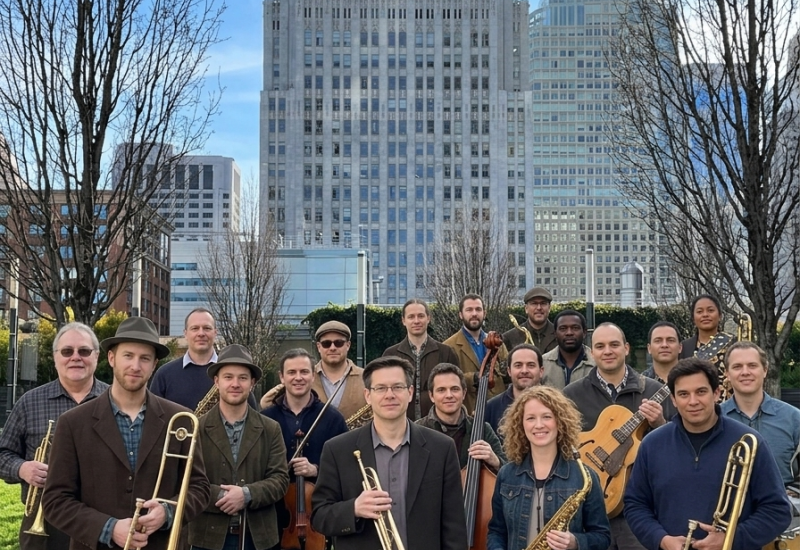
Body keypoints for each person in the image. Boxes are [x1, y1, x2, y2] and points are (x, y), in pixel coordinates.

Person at [43, 317, 210, 550]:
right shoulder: (72, 423)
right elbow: (55, 501)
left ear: (154, 365)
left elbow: (200, 488)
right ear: (111, 358)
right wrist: (108, 528)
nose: (135, 366)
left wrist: (168, 512)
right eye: (128, 356)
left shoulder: (180, 419)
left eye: (145, 358)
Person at [624, 358, 792, 550]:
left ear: (717, 393)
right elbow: (635, 505)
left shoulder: (748, 441)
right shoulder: (652, 444)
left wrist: (730, 539)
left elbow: (777, 511)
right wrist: (661, 539)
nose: (693, 401)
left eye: (701, 392)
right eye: (683, 394)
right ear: (673, 400)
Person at [311, 356, 468, 550]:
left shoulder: (442, 448)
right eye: (381, 388)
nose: (390, 395)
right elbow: (319, 516)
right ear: (368, 395)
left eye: (398, 387)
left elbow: (455, 526)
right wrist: (353, 509)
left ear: (410, 393)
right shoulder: (337, 449)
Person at [563, 322, 672, 550]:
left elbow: (676, 446)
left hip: (640, 511)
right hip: (586, 515)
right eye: (600, 346)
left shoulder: (653, 391)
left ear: (627, 348)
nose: (608, 351)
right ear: (592, 353)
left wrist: (659, 423)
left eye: (614, 344)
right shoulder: (571, 395)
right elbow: (560, 444)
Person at [0, 322, 109, 550]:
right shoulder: (30, 402)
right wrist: (22, 469)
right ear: (55, 357)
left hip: (103, 521)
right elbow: (3, 453)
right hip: (44, 524)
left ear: (97, 356)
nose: (75, 357)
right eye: (67, 351)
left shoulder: (115, 402)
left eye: (84, 351)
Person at [189, 344, 289, 550]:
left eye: (243, 378)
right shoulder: (196, 429)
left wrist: (246, 495)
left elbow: (280, 480)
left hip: (259, 539)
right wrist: (222, 496)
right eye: (228, 377)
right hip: (207, 538)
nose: (235, 384)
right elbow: (187, 480)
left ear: (252, 383)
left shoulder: (271, 428)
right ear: (216, 382)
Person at [487, 386, 610, 550]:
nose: (539, 425)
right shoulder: (507, 474)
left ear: (560, 422)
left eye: (546, 417)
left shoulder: (584, 476)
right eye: (530, 418)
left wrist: (575, 542)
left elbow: (603, 536)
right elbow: (496, 531)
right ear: (520, 424)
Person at [720, 342, 800, 487]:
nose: (745, 372)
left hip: (783, 506)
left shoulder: (794, 418)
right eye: (737, 367)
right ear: (727, 373)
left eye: (752, 365)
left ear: (765, 370)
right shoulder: (713, 419)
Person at [261, 349, 348, 482]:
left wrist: (316, 470)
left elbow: (344, 465)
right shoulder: (265, 419)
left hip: (319, 500)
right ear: (282, 377)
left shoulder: (333, 418)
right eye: (291, 372)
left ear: (313, 376)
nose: (298, 378)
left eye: (304, 372)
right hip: (274, 501)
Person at [416, 363, 506, 470]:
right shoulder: (417, 430)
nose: (449, 395)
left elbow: (509, 472)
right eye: (441, 390)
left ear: (464, 393)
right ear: (431, 396)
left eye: (454, 389)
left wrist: (495, 461)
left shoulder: (483, 429)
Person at [382, 299, 460, 420]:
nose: (416, 321)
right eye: (411, 317)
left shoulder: (446, 352)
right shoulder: (390, 354)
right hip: (401, 423)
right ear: (404, 321)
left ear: (428, 318)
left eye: (421, 316)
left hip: (438, 425)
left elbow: (456, 389)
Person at [444, 294, 507, 414]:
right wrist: (473, 377)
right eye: (469, 310)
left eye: (478, 309)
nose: (474, 314)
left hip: (498, 410)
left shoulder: (497, 342)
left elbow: (506, 374)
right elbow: (447, 380)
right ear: (461, 315)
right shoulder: (449, 346)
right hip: (469, 410)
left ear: (484, 313)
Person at [679, 294, 736, 400]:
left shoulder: (733, 344)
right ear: (693, 318)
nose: (705, 315)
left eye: (710, 310)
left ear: (720, 315)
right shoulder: (684, 347)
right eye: (699, 312)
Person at [485, 344, 544, 434]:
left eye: (531, 365)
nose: (524, 371)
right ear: (509, 371)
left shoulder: (556, 405)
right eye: (518, 365)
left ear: (541, 371)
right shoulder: (491, 408)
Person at [541, 310, 594, 390]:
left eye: (575, 328)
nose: (569, 333)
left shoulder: (597, 363)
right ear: (555, 333)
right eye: (563, 329)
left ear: (584, 332)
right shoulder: (543, 363)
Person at [502, 287, 557, 353]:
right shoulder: (510, 337)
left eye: (543, 303)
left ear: (549, 307)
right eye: (534, 303)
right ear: (526, 308)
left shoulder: (559, 335)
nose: (539, 308)